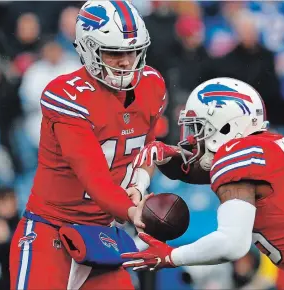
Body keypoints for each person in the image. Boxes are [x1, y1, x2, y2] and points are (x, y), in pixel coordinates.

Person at [122, 78, 284, 290]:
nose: (193, 139)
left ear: (224, 127)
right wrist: (159, 160)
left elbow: (232, 243)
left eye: (198, 128)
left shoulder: (238, 155)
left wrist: (170, 256)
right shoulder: (263, 147)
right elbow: (193, 169)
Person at [9, 1, 167, 289]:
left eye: (132, 51)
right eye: (114, 52)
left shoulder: (152, 84)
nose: (126, 61)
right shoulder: (66, 96)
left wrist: (139, 184)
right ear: (88, 48)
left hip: (101, 235)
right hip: (51, 229)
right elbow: (94, 177)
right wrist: (133, 211)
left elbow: (148, 147)